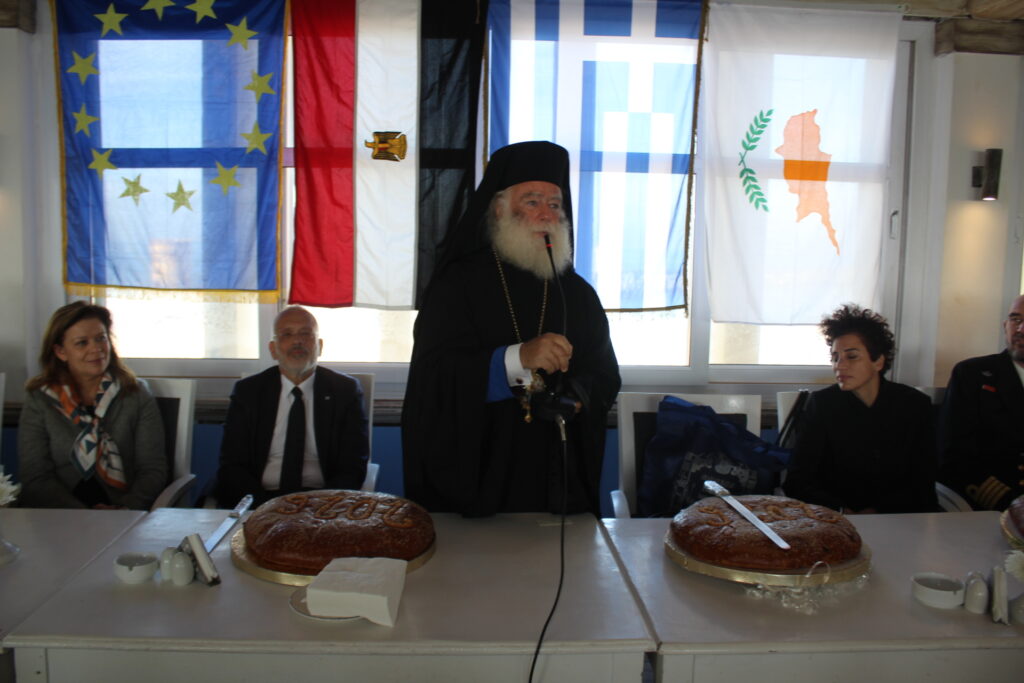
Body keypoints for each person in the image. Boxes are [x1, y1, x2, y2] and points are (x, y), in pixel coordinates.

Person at [402, 141, 621, 517]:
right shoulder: (457, 285)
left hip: (553, 479)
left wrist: (577, 396)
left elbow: (604, 374)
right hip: (477, 476)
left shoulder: (577, 293)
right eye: (532, 202)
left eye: (555, 205)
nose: (546, 214)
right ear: (499, 208)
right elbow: (432, 378)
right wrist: (516, 360)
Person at [783, 304, 937, 513]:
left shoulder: (914, 405)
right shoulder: (822, 404)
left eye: (852, 356)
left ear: (878, 361)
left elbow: (923, 481)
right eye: (835, 357)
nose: (839, 365)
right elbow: (797, 481)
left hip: (900, 518)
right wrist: (841, 510)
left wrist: (879, 511)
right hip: (837, 518)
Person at [18, 302, 167, 509]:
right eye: (82, 343)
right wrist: (83, 515)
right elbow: (36, 476)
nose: (96, 349)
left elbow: (152, 469)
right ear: (61, 352)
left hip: (122, 512)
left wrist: (124, 509)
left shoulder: (135, 393)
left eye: (101, 338)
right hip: (59, 514)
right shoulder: (39, 398)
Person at [216, 306, 369, 507]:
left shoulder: (345, 391)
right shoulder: (249, 392)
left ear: (319, 346)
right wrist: (265, 509)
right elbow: (233, 465)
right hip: (260, 500)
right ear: (273, 349)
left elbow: (353, 465)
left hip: (322, 503)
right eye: (287, 334)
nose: (297, 341)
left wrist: (322, 507)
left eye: (305, 333)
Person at [938, 294, 1024, 510]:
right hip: (992, 507)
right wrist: (1013, 505)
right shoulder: (972, 375)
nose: (1020, 329)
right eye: (1015, 319)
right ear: (1005, 326)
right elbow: (954, 456)